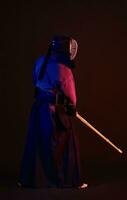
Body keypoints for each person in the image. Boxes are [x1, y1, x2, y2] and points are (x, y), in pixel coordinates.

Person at [18, 35, 88, 189]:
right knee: (65, 140)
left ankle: (29, 180)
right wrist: (71, 108)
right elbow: (71, 98)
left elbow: (36, 81)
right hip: (54, 113)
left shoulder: (39, 62)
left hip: (39, 109)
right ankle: (67, 181)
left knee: (38, 141)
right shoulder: (64, 69)